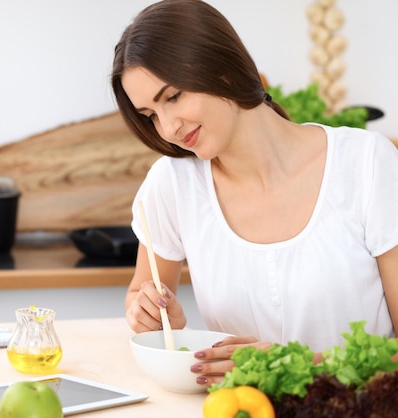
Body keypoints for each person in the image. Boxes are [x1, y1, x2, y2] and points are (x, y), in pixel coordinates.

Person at [111, 0, 398, 388]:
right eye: (150, 115)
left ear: (224, 69)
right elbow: (140, 295)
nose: (168, 129)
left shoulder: (367, 163)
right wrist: (148, 313)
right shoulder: (172, 185)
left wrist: (287, 363)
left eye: (173, 97)